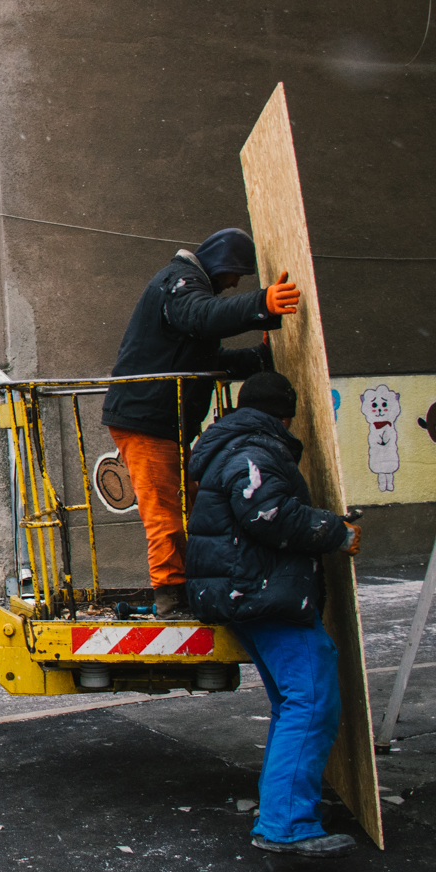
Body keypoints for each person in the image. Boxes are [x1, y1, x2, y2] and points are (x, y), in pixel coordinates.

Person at [184, 371, 362, 858]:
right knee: (309, 701)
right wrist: (334, 530)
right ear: (283, 414)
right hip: (265, 594)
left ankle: (284, 812)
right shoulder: (254, 451)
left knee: (294, 703)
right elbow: (269, 513)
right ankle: (286, 825)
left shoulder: (238, 444)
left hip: (250, 591)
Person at [101, 229, 300, 616]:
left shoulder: (182, 288)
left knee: (190, 506)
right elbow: (204, 316)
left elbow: (205, 359)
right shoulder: (181, 284)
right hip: (148, 420)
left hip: (156, 420)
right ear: (222, 263)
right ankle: (170, 597)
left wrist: (256, 360)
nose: (235, 283)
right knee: (166, 515)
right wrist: (262, 303)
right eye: (235, 274)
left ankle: (187, 587)